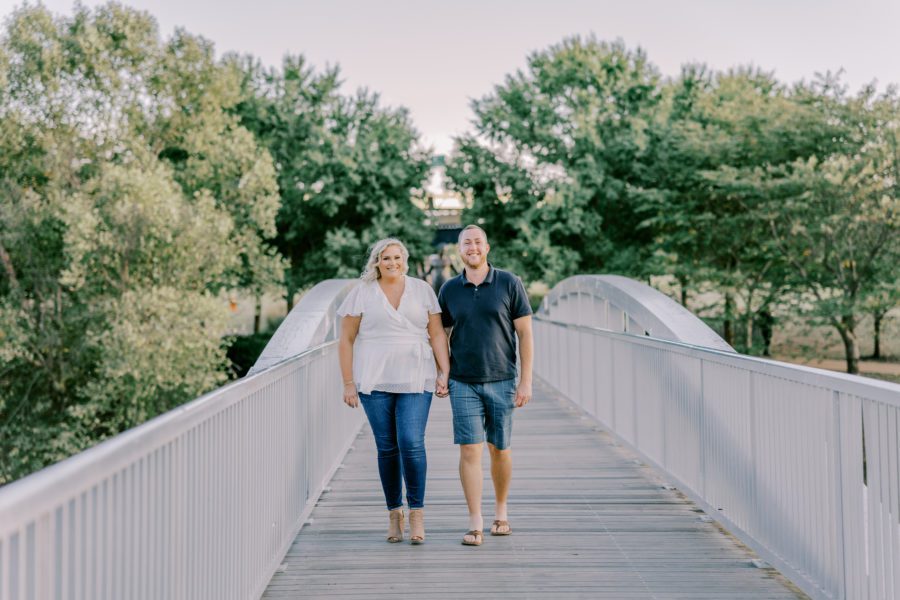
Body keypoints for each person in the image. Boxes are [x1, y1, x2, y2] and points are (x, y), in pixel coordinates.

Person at [338, 238, 450, 545]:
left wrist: (444, 371)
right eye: (385, 258)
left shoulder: (422, 290)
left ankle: (417, 512)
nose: (392, 263)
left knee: (411, 442)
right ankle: (394, 513)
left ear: (405, 259)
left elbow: (436, 332)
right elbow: (346, 339)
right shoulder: (362, 293)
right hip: (374, 380)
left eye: (397, 257)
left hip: (416, 376)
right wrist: (348, 382)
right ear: (376, 262)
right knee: (387, 448)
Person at [438, 225, 533, 546]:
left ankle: (501, 511)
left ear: (487, 247)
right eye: (467, 243)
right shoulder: (449, 289)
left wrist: (526, 380)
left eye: (478, 242)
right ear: (459, 250)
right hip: (463, 381)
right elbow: (440, 336)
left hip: (503, 379)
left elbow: (526, 335)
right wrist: (442, 371)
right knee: (469, 449)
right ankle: (475, 521)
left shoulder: (509, 283)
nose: (473, 247)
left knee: (500, 449)